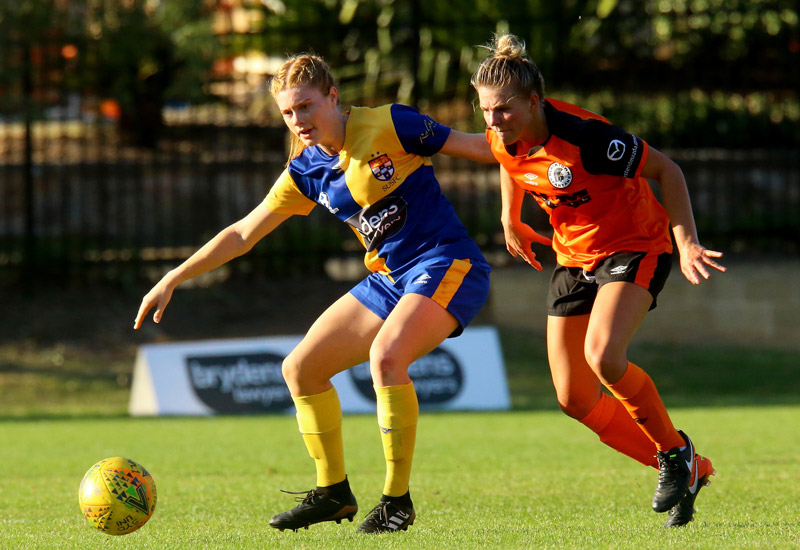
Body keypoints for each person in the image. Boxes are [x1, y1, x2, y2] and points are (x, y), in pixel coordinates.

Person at [134, 53, 495, 534]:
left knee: (387, 358)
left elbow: (485, 148)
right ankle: (333, 493)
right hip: (390, 279)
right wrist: (173, 276)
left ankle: (396, 501)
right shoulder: (306, 169)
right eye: (287, 112)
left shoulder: (391, 122)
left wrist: (545, 150)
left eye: (305, 106)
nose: (297, 120)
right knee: (301, 368)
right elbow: (243, 234)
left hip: (448, 262)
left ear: (332, 96)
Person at [471, 34, 726, 528]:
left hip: (636, 245)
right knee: (573, 398)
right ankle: (685, 467)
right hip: (574, 258)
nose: (492, 122)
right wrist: (509, 217)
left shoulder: (588, 139)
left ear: (533, 101)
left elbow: (666, 170)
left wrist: (688, 241)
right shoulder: (504, 133)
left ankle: (676, 455)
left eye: (502, 111)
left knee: (604, 356)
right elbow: (509, 160)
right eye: (484, 111)